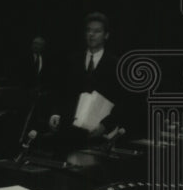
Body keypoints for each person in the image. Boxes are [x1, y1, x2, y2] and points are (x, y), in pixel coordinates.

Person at [48, 12, 129, 141]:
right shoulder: (72, 60)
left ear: (106, 35)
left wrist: (105, 125)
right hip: (67, 131)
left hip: (98, 134)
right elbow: (60, 92)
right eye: (88, 31)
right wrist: (55, 113)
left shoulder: (116, 64)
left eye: (97, 31)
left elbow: (123, 101)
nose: (91, 35)